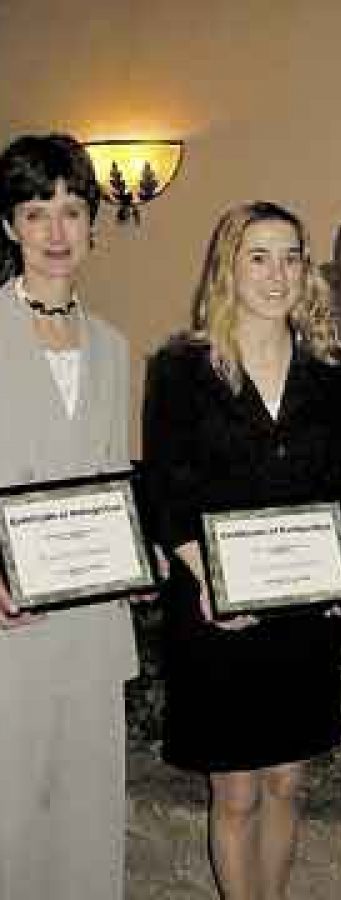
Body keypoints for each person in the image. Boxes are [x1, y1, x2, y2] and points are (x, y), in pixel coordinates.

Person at [142, 202, 341, 900]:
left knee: (288, 785)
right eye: (258, 256)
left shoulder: (333, 371)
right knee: (234, 795)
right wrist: (214, 584)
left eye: (291, 256)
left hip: (300, 613)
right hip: (213, 611)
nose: (277, 272)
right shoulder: (180, 369)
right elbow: (166, 495)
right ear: (228, 266)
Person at [0, 133, 137, 899]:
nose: (56, 233)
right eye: (35, 211)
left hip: (90, 621)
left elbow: (112, 480)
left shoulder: (115, 348)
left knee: (87, 828)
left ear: (92, 225)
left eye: (72, 211)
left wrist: (134, 559)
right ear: (9, 226)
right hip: (7, 625)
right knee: (9, 823)